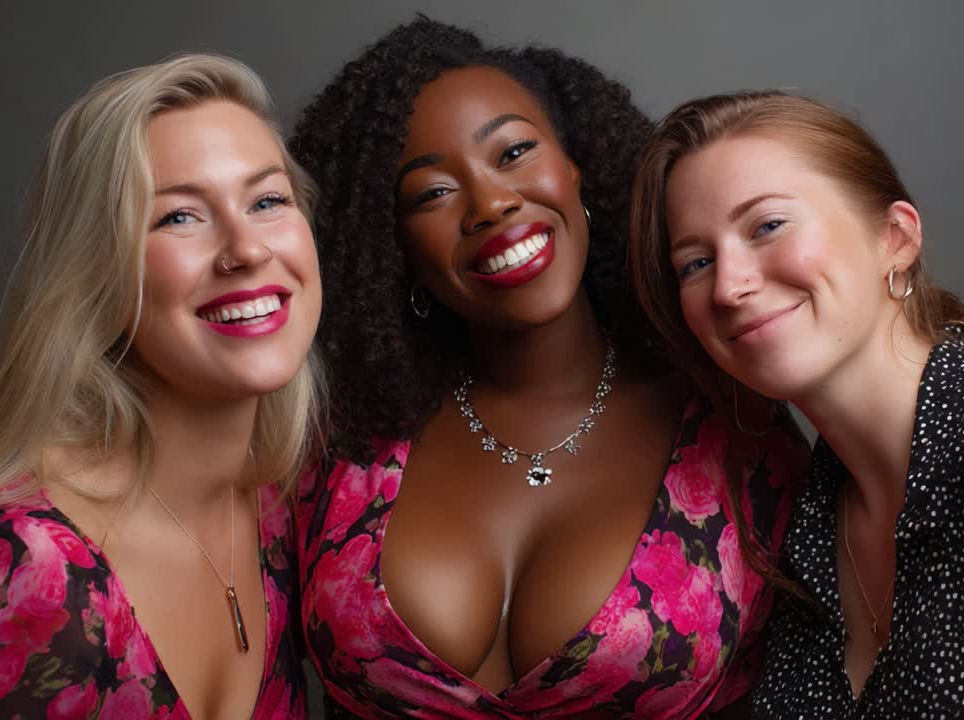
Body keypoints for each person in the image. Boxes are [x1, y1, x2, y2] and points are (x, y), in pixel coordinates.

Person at [288, 19, 808, 719]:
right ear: (390, 247)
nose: (491, 204)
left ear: (575, 167)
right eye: (432, 193)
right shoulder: (336, 440)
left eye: (513, 152)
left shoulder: (736, 422)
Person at [628, 90, 964, 718]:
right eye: (696, 263)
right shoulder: (793, 536)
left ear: (895, 237)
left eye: (768, 226)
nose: (729, 286)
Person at [0, 54, 323, 718]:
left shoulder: (276, 505)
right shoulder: (16, 572)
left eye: (268, 201)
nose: (247, 250)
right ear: (98, 271)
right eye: (178, 217)